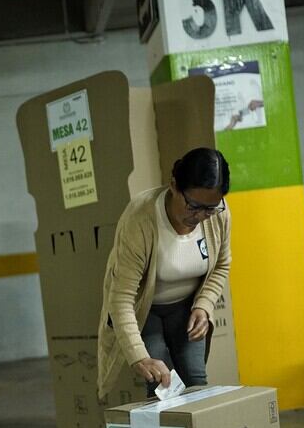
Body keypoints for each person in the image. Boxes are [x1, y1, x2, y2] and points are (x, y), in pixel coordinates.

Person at [97, 147, 232, 398]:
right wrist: (139, 357)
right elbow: (122, 298)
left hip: (185, 308)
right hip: (144, 310)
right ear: (173, 185)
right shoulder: (141, 219)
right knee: (162, 384)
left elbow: (221, 265)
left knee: (196, 382)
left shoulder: (219, 215)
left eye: (210, 208)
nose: (201, 216)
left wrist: (203, 305)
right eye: (193, 206)